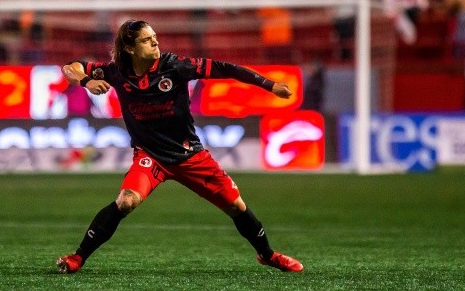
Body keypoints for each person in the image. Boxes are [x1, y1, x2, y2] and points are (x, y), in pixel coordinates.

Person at [57, 19, 303, 273]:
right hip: (150, 156)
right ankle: (77, 258)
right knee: (126, 201)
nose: (155, 42)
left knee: (236, 206)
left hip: (189, 155)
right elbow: (70, 67)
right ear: (130, 48)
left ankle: (268, 255)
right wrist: (86, 81)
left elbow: (224, 68)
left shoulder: (174, 66)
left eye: (155, 36)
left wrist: (270, 85)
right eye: (146, 39)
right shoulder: (116, 71)